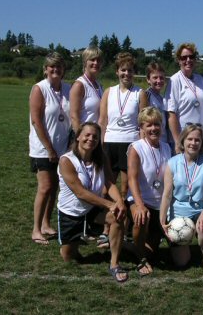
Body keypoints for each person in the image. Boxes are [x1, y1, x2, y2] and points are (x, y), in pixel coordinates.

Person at [57, 122, 128, 283]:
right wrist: (110, 204)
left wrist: (119, 202)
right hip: (71, 213)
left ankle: (114, 264)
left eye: (95, 136)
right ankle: (76, 241)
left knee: (117, 216)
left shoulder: (101, 157)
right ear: (78, 137)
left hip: (93, 210)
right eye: (87, 135)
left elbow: (109, 182)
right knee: (69, 257)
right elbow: (80, 193)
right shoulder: (66, 161)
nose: (91, 139)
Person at [159, 124, 203, 278]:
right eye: (190, 139)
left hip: (201, 209)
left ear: (202, 143)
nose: (193, 143)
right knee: (181, 263)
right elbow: (166, 194)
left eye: (197, 140)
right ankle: (186, 247)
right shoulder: (172, 163)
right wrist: (162, 219)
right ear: (183, 141)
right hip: (178, 211)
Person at [29, 52, 71, 245]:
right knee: (45, 187)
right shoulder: (39, 89)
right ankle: (36, 229)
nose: (55, 70)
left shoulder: (67, 88)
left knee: (55, 187)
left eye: (59, 67)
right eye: (51, 67)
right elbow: (37, 122)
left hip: (63, 149)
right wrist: (49, 148)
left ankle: (46, 223)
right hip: (43, 149)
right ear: (45, 69)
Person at [127, 107, 172, 276]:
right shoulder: (136, 148)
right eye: (149, 125)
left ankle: (128, 245)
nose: (154, 128)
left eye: (157, 124)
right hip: (140, 200)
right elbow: (131, 178)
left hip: (160, 203)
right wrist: (139, 205)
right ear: (142, 128)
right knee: (141, 218)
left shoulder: (167, 147)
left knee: (152, 251)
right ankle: (140, 260)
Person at [99, 52, 148, 196]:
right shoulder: (108, 92)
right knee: (108, 184)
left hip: (130, 142)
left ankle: (125, 215)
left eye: (130, 70)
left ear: (134, 73)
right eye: (123, 70)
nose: (126, 73)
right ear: (117, 71)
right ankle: (104, 215)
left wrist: (143, 145)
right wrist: (100, 145)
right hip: (110, 141)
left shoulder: (140, 93)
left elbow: (143, 123)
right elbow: (102, 121)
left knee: (126, 187)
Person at [165, 43, 203, 153]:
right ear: (179, 60)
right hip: (184, 138)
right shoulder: (175, 80)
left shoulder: (201, 80)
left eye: (191, 57)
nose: (188, 60)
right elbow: (171, 114)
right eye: (184, 57)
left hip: (200, 137)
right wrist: (177, 142)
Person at [69, 46, 104, 133]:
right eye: (92, 60)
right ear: (85, 62)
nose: (96, 63)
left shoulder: (99, 85)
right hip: (84, 138)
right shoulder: (79, 85)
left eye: (98, 60)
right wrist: (80, 138)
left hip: (95, 136)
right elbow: (74, 116)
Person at [145, 62, 169, 144]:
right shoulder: (146, 96)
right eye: (155, 78)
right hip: (152, 141)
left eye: (161, 78)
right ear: (148, 80)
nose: (158, 81)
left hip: (163, 140)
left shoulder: (163, 98)